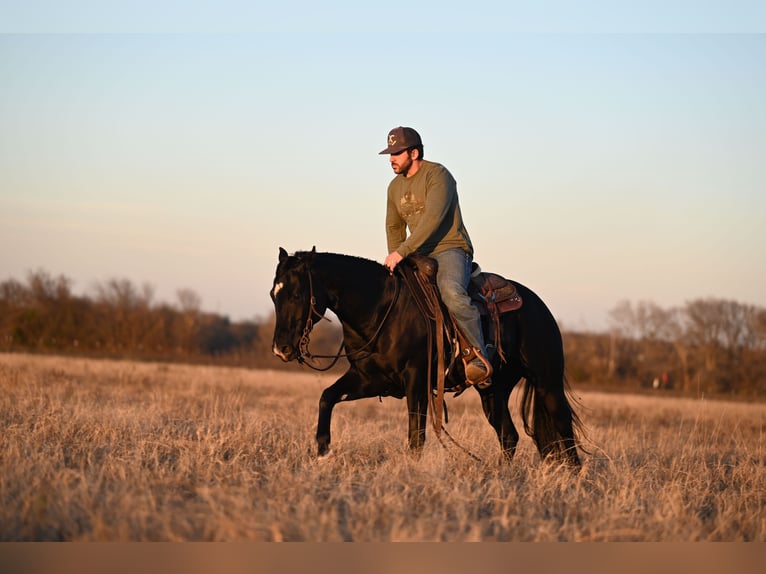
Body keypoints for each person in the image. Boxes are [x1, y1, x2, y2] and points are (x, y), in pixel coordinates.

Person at [379, 126, 491, 387]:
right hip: (417, 254)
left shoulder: (438, 175)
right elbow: (394, 227)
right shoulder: (394, 187)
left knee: (451, 292)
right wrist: (399, 259)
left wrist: (401, 252)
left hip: (449, 248)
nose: (391, 158)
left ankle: (478, 358)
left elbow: (433, 220)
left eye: (397, 152)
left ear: (414, 152)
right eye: (389, 153)